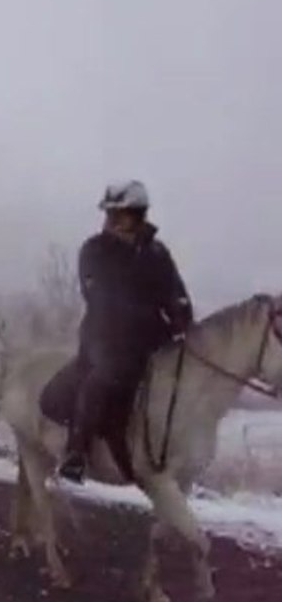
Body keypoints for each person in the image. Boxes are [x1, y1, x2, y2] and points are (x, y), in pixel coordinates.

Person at [58, 180, 194, 484]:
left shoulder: (157, 254)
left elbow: (175, 293)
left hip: (150, 342)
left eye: (119, 214)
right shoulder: (93, 250)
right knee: (104, 375)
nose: (111, 220)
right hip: (104, 338)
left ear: (138, 214)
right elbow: (101, 297)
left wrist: (182, 319)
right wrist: (150, 319)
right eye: (109, 213)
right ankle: (76, 452)